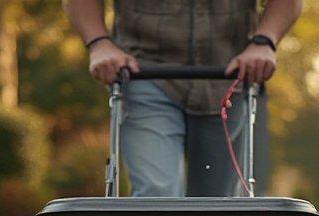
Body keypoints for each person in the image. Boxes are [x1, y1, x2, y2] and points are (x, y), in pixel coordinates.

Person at [62, 1, 302, 198]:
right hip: (145, 74)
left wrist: (264, 40)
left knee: (216, 208)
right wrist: (99, 43)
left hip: (228, 78)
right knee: (156, 195)